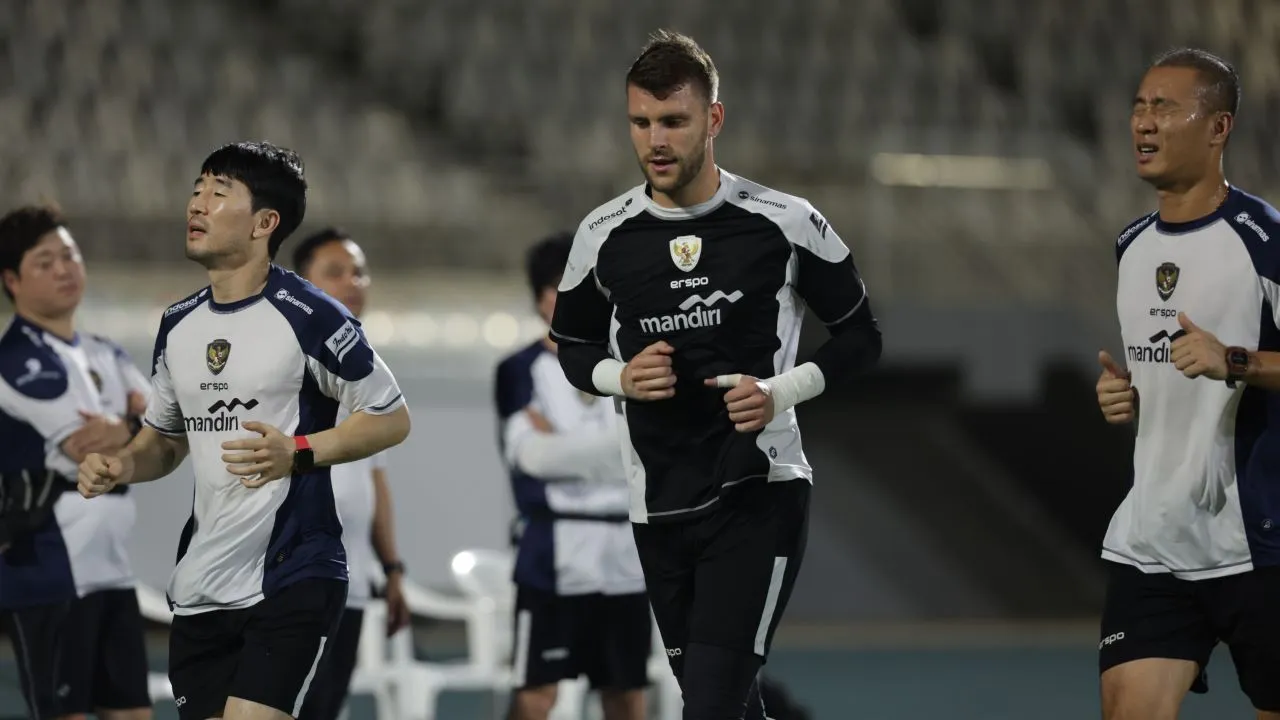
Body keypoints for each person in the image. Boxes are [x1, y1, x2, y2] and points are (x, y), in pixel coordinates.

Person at [548, 30, 882, 719]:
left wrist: (779, 392)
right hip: (656, 504)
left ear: (714, 119)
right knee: (725, 705)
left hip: (757, 493)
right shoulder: (602, 233)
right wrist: (619, 377)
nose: (655, 140)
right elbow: (572, 342)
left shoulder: (785, 222)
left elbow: (861, 338)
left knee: (707, 705)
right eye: (640, 122)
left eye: (674, 121)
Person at [76, 141, 411, 720]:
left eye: (218, 193)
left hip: (294, 573)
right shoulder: (177, 324)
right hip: (202, 582)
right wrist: (122, 464)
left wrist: (301, 452)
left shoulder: (312, 314)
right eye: (197, 189)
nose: (197, 205)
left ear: (265, 223)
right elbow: (166, 440)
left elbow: (391, 416)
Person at [1096, 48, 1280, 720]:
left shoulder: (1264, 242)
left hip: (1257, 543)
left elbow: (1223, 364)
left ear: (1218, 128)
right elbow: (1166, 377)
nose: (1143, 123)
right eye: (1139, 106)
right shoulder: (1131, 244)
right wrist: (1130, 399)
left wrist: (1238, 361)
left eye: (1164, 107)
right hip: (1154, 540)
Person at [0, 205, 153, 720]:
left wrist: (126, 429)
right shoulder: (19, 361)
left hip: (111, 569)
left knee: (133, 712)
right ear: (12, 281)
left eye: (70, 255)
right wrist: (132, 427)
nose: (65, 268)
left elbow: (171, 428)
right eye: (45, 261)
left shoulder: (106, 352)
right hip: (49, 569)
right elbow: (90, 446)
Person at [495, 233, 650, 720]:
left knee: (626, 693)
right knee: (537, 692)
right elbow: (530, 457)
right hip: (552, 552)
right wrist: (615, 453)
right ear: (542, 298)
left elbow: (646, 453)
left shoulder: (631, 365)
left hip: (626, 553)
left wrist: (565, 449)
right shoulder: (519, 370)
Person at [291, 228, 410, 720]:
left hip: (352, 579)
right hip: (295, 575)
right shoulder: (286, 360)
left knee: (326, 708)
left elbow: (373, 479)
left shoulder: (365, 367)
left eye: (358, 270)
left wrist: (392, 568)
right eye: (335, 272)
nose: (353, 282)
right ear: (302, 284)